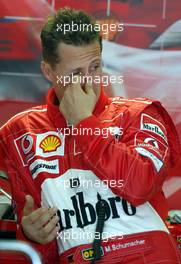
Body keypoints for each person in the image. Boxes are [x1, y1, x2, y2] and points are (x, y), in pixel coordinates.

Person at [0, 7, 181, 264]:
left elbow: (140, 186)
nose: (88, 82)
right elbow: (44, 255)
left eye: (94, 67)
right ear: (48, 72)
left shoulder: (139, 114)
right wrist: (33, 235)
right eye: (75, 73)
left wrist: (83, 123)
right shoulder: (20, 134)